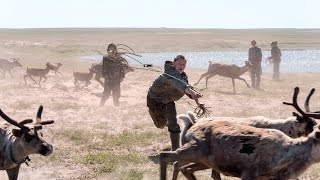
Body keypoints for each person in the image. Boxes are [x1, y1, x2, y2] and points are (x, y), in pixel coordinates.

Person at [147, 55, 202, 151]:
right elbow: (180, 84)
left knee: (174, 125)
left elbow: (186, 86)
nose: (181, 66)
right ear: (173, 64)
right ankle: (167, 121)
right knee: (160, 125)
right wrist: (192, 93)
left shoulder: (183, 76)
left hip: (169, 102)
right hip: (155, 101)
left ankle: (176, 150)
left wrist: (194, 94)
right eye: (179, 64)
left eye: (183, 64)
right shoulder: (168, 75)